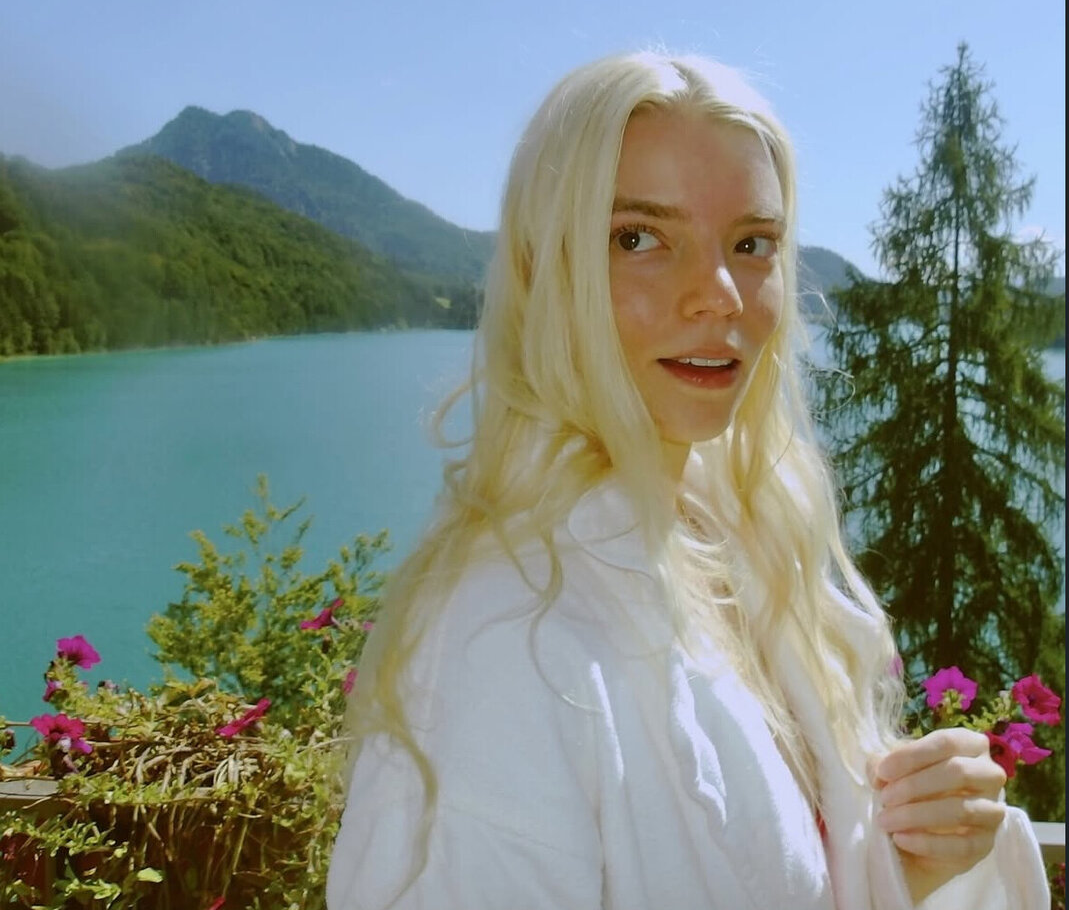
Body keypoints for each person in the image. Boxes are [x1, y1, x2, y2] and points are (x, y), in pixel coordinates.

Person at [326, 52, 1049, 909]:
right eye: (637, 238)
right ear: (540, 270)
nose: (718, 295)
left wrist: (907, 864)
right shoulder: (512, 641)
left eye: (751, 244)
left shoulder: (726, 543)